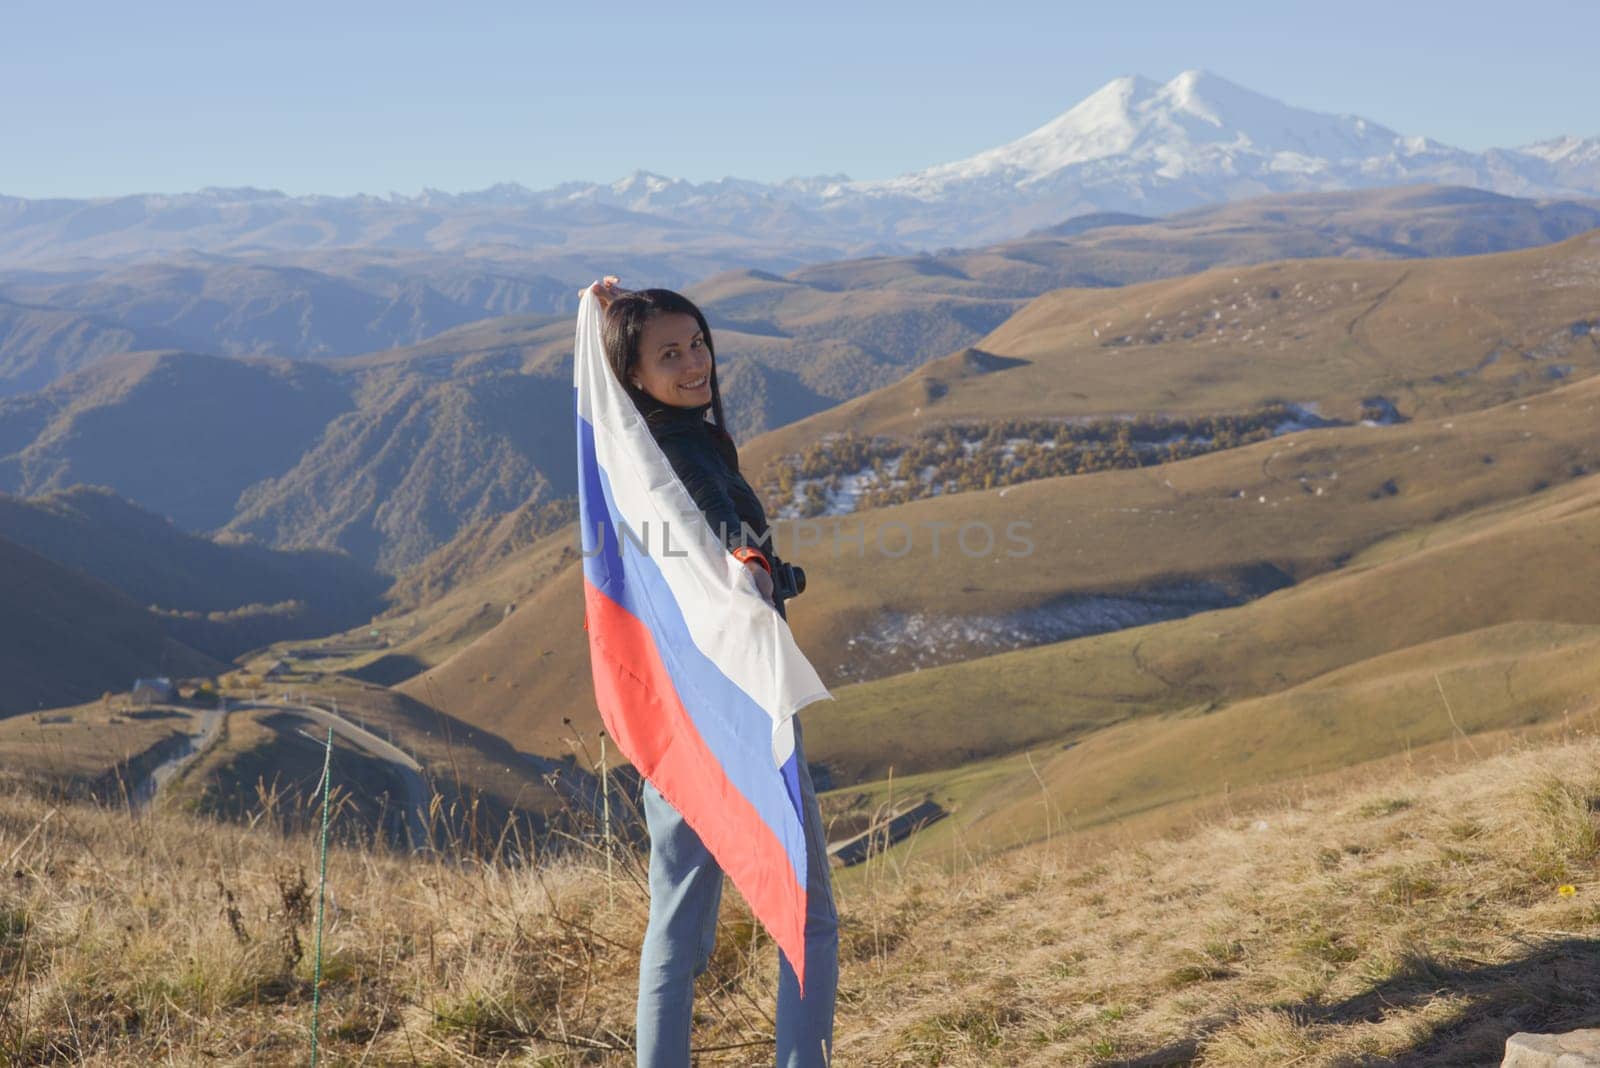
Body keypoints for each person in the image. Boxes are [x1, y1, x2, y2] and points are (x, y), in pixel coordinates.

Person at [588, 277, 839, 1067]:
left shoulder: (628, 449)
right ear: (634, 376)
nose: (695, 363)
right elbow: (724, 526)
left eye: (697, 343)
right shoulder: (688, 449)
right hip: (738, 705)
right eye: (669, 355)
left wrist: (603, 313)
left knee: (678, 920)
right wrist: (752, 560)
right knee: (808, 914)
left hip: (672, 706)